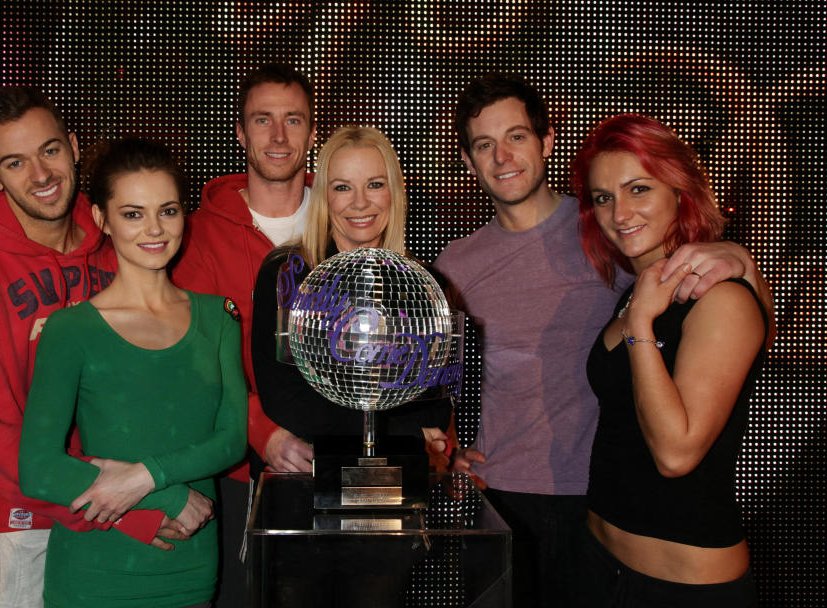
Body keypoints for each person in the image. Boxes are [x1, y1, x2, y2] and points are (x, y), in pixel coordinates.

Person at [433, 73, 772, 608]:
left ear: (546, 142)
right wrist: (445, 450)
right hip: (508, 498)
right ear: (468, 161)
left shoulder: (605, 233)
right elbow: (433, 373)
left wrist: (741, 260)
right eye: (484, 144)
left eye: (517, 136)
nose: (502, 156)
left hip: (594, 503)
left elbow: (720, 314)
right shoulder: (458, 264)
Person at [0, 87, 186, 608]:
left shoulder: (118, 250)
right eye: (15, 162)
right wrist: (124, 508)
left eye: (49, 151)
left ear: (72, 146)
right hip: (22, 529)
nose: (41, 175)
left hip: (122, 514)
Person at [19, 138, 247, 607]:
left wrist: (145, 476)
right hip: (94, 573)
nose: (155, 229)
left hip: (190, 569)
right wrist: (164, 497)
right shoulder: (70, 329)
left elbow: (232, 439)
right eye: (133, 213)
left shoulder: (218, 318)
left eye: (167, 210)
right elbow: (38, 469)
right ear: (102, 219)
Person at [570, 113, 766, 605]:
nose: (619, 213)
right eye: (603, 197)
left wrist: (640, 328)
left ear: (679, 192)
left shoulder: (720, 299)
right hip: (598, 563)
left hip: (681, 588)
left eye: (639, 189)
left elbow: (675, 454)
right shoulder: (639, 290)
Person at [171, 63, 317, 607]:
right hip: (236, 473)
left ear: (311, 130)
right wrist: (263, 432)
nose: (278, 137)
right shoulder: (198, 235)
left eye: (293, 120)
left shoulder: (342, 219)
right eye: (263, 120)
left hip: (332, 468)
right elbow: (194, 362)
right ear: (240, 131)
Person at [251, 126, 452, 471]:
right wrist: (403, 430)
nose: (360, 202)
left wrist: (392, 430)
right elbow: (285, 402)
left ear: (394, 192)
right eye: (342, 187)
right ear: (323, 197)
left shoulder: (426, 284)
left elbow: (434, 404)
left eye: (375, 184)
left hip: (399, 481)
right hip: (308, 480)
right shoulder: (287, 274)